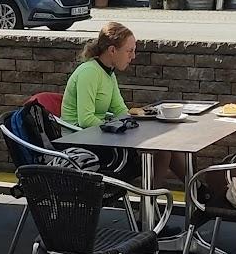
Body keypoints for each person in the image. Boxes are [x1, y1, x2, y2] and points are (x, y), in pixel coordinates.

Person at [61, 22, 185, 183]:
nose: (133, 56)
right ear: (112, 50)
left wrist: (143, 124)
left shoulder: (108, 74)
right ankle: (194, 195)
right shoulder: (89, 72)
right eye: (129, 51)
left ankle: (195, 194)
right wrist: (119, 130)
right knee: (162, 153)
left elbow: (120, 110)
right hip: (82, 146)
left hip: (99, 139)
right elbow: (85, 120)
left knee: (165, 148)